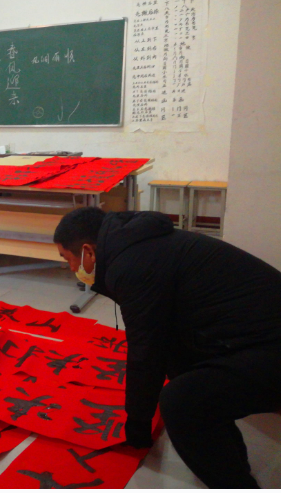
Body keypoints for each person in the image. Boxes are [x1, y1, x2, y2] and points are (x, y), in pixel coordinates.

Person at [53, 207, 281, 488]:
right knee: (180, 364)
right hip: (252, 333)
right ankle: (231, 458)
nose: (71, 268)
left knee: (181, 404)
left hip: (269, 346)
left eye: (68, 258)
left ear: (88, 251)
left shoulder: (131, 266)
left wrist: (137, 422)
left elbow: (145, 351)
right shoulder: (140, 242)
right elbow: (161, 339)